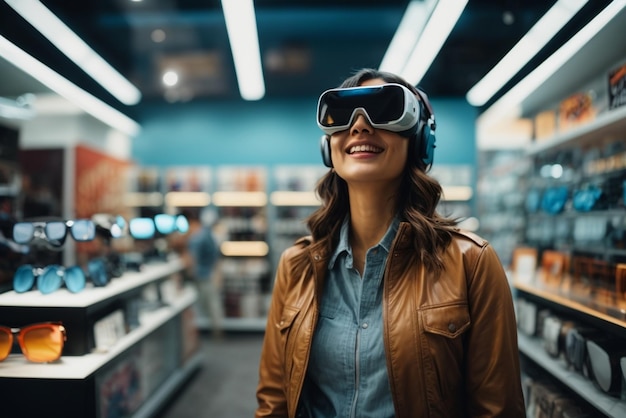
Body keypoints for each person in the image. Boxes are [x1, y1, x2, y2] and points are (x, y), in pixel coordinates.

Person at [255, 68, 525, 417]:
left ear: (420, 141)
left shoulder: (471, 263)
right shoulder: (296, 264)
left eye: (383, 110)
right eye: (343, 114)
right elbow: (274, 402)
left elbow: (497, 410)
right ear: (328, 146)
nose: (360, 126)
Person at [181, 208, 223, 337]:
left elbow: (192, 259)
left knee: (208, 302)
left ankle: (214, 331)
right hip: (208, 272)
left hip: (202, 274)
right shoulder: (206, 232)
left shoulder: (196, 237)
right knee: (212, 302)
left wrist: (189, 271)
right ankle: (217, 330)